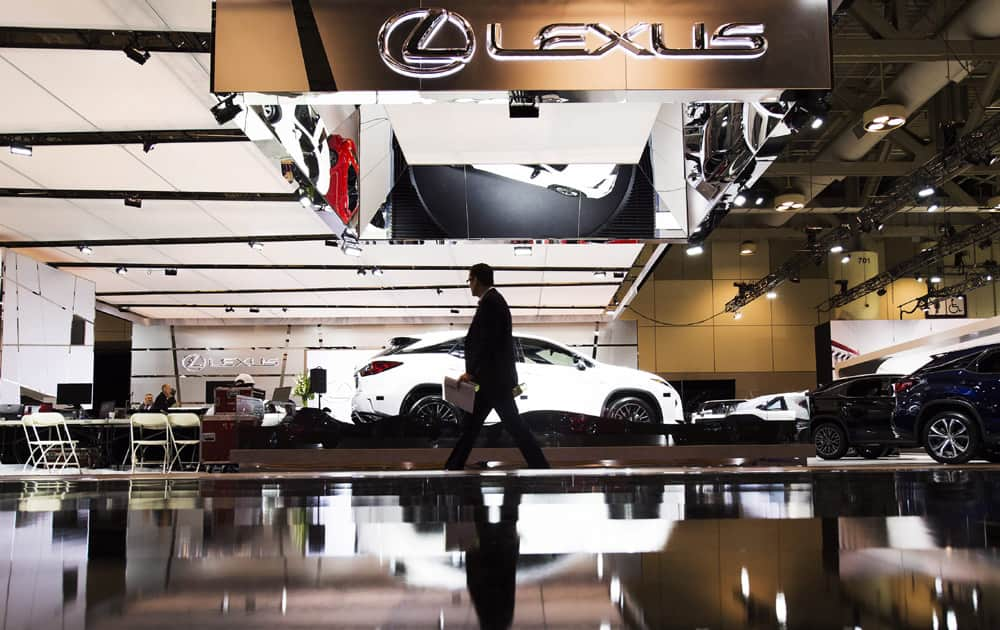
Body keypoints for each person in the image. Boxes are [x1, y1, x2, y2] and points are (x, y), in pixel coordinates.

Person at [444, 263, 549, 470]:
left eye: (470, 280)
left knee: (505, 426)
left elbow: (486, 343)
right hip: (493, 380)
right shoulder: (493, 301)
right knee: (482, 427)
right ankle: (453, 465)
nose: (469, 286)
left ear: (477, 280)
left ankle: (453, 466)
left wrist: (471, 372)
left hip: (492, 381)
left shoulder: (491, 303)